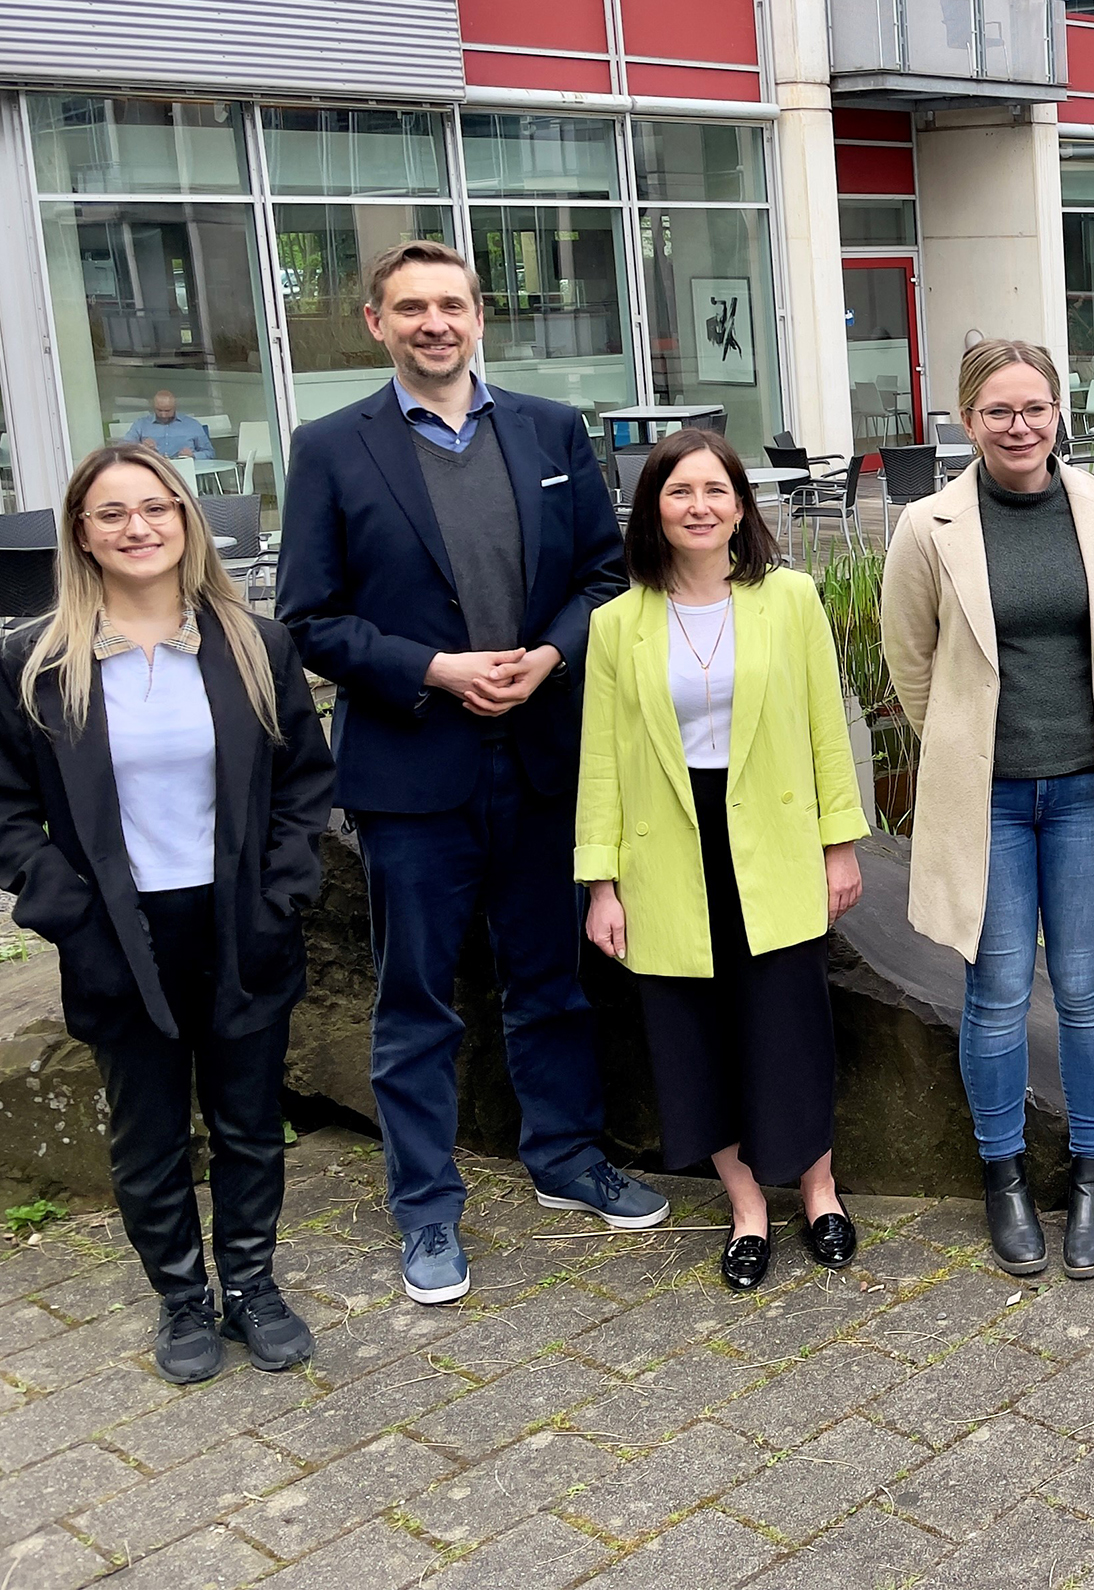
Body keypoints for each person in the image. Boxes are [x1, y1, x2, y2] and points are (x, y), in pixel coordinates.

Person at [278, 240, 666, 1308]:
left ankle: (566, 1158)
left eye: (451, 304)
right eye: (411, 307)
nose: (434, 323)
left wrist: (550, 657)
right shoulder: (330, 448)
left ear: (480, 316)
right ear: (377, 323)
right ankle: (425, 1206)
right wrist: (434, 670)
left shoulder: (550, 430)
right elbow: (308, 618)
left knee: (551, 980)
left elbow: (604, 577)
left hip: (542, 759)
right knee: (416, 999)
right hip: (413, 772)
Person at [0, 445, 334, 1383]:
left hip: (240, 923)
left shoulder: (253, 644)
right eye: (111, 513)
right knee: (148, 1133)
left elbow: (304, 784)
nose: (137, 527)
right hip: (113, 932)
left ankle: (252, 1284)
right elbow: (7, 809)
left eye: (156, 507)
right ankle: (182, 1299)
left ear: (185, 521)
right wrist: (67, 910)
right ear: (81, 533)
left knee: (247, 1122)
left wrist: (281, 893)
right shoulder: (36, 661)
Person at [880, 338, 1094, 1281]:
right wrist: (967, 745)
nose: (1019, 426)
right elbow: (910, 661)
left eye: (1034, 407)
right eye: (998, 411)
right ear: (968, 419)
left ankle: (1093, 1171)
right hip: (989, 800)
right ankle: (1001, 1175)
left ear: (1057, 411)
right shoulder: (927, 527)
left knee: (1085, 988)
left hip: (1083, 791)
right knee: (997, 991)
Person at [577, 429, 869, 1293]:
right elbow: (601, 761)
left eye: (715, 490)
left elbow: (826, 730)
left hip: (773, 841)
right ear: (653, 510)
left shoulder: (791, 599)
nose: (698, 507)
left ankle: (818, 1191)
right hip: (668, 846)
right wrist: (601, 884)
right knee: (692, 1035)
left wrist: (839, 845)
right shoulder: (616, 624)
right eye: (679, 492)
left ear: (741, 506)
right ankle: (745, 1206)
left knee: (789, 1025)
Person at [124, 392, 214, 462]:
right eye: (159, 410)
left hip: (185, 470)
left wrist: (193, 455)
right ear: (153, 407)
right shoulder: (141, 424)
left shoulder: (192, 425)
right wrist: (141, 448)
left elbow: (210, 453)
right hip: (153, 471)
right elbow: (122, 449)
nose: (163, 415)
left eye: (167, 411)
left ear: (175, 407)